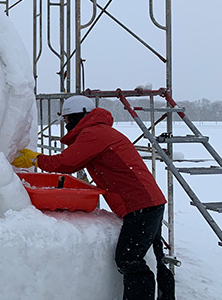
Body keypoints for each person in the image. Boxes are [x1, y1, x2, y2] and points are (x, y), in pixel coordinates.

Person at [11, 95, 175, 300]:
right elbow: (75, 162)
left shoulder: (94, 133)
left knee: (128, 259)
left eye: (68, 119)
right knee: (152, 256)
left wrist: (35, 159)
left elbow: (66, 163)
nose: (67, 125)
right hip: (147, 201)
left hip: (142, 204)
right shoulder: (98, 131)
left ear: (79, 116)